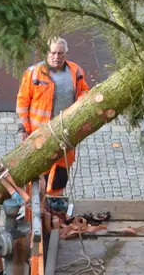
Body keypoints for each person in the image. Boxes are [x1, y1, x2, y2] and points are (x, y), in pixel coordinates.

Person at [16, 36, 90, 198]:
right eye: (53, 53)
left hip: (66, 131)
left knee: (62, 169)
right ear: (46, 53)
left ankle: (56, 203)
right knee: (39, 170)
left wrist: (84, 100)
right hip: (40, 133)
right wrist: (23, 129)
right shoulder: (33, 74)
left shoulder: (75, 72)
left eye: (60, 53)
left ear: (66, 53)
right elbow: (22, 102)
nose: (56, 57)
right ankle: (36, 205)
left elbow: (84, 90)